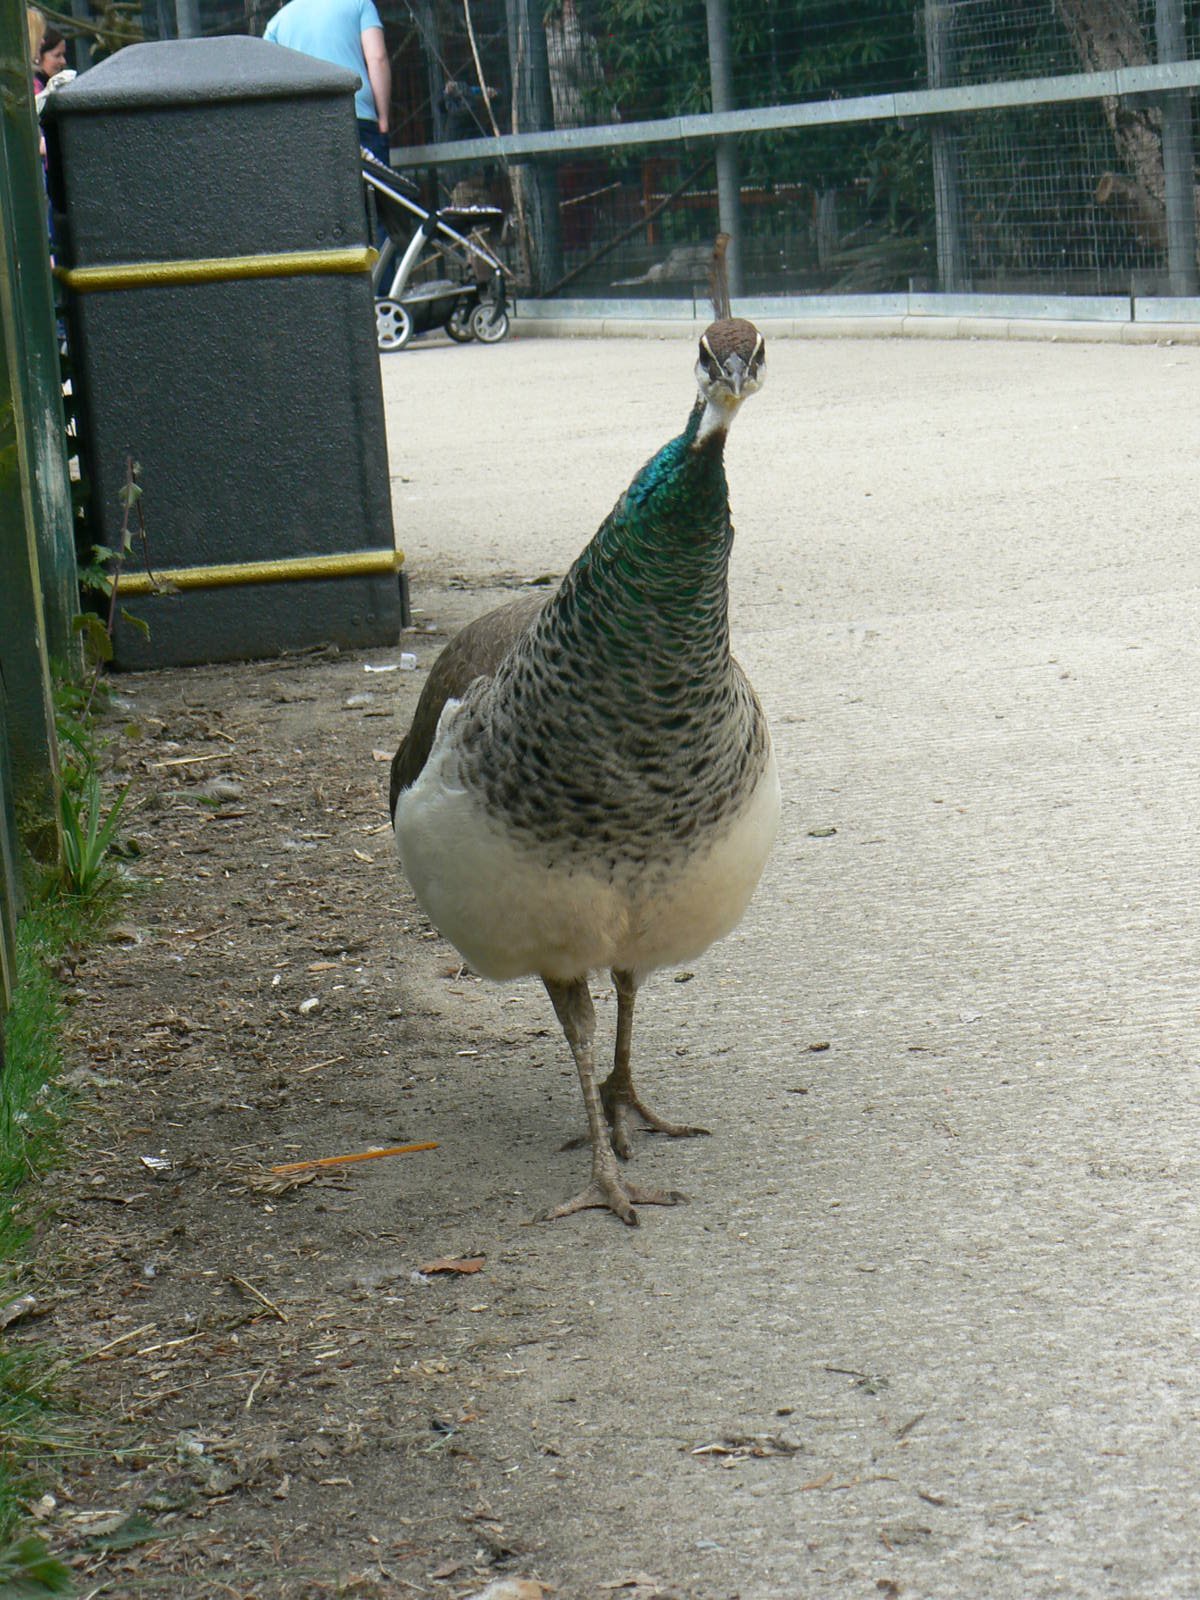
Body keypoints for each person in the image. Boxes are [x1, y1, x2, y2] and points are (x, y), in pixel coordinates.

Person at [263, 0, 391, 167]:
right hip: (357, 113)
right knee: (374, 188)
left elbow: (268, 83)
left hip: (303, 124)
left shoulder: (276, 23)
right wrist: (383, 119)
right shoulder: (359, 3)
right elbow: (377, 58)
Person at [33, 22, 68, 93]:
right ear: (39, 54)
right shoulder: (34, 90)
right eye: (57, 55)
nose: (63, 61)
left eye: (63, 55)